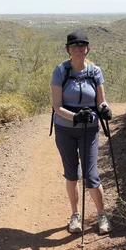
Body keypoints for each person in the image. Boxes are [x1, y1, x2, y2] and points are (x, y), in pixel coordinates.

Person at [50, 30, 113, 235]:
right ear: (68, 50)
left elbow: (100, 100)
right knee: (72, 174)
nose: (78, 49)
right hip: (65, 129)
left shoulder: (95, 72)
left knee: (91, 173)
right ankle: (76, 215)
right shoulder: (60, 71)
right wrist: (75, 117)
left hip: (89, 129)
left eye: (82, 45)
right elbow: (57, 106)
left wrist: (104, 109)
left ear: (87, 49)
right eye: (74, 46)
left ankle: (102, 215)